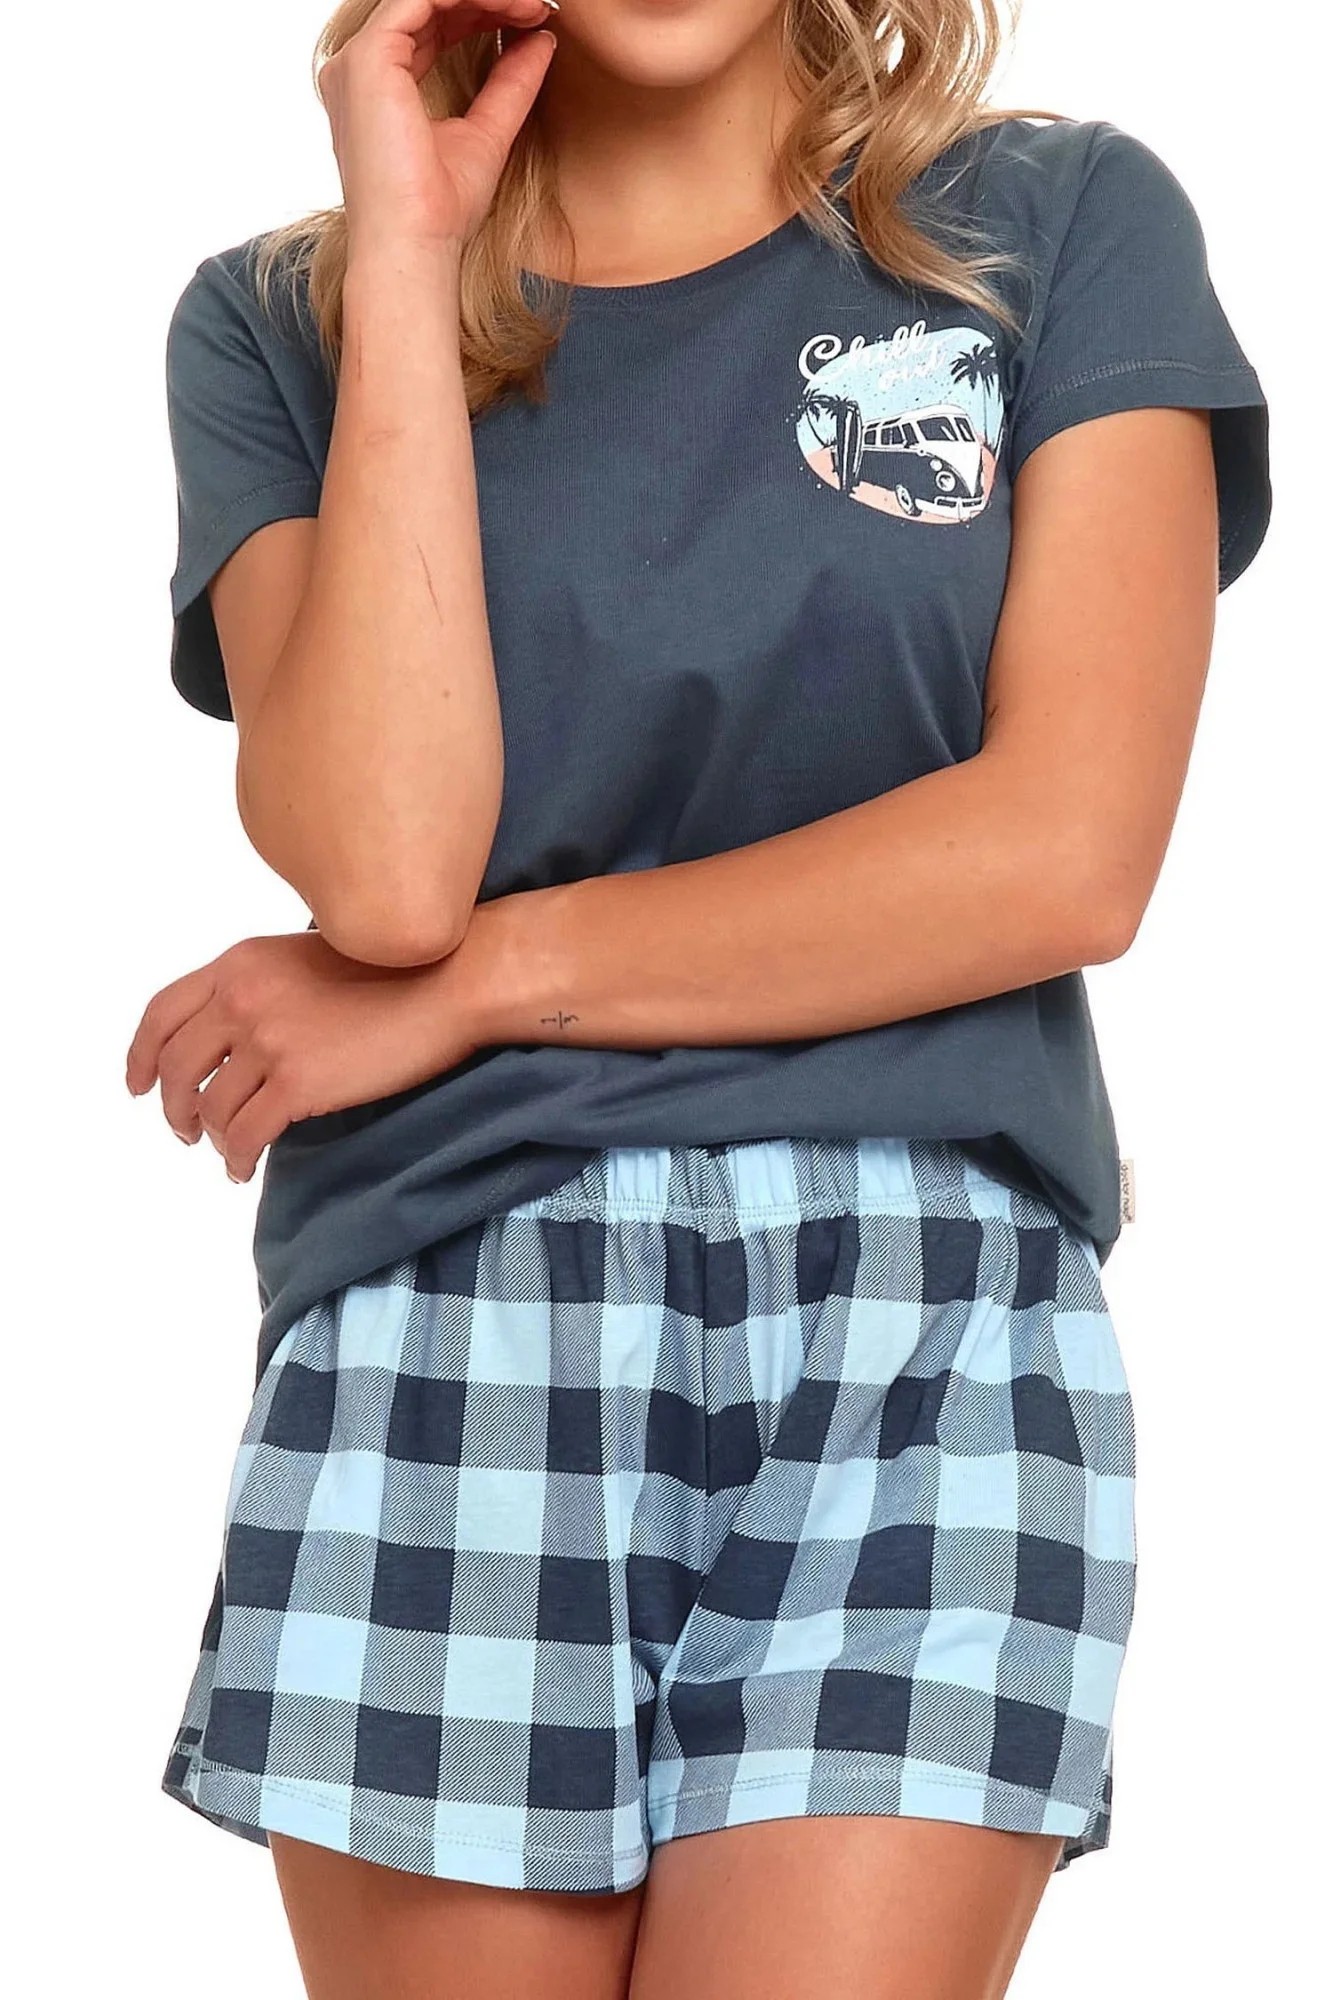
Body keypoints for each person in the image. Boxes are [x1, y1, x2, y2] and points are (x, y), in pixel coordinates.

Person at [127, 0, 1271, 1993]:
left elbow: (1066, 853)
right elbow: (385, 869)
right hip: (451, 1307)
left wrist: (481, 988)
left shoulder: (1057, 228)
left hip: (930, 1332)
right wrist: (403, 259)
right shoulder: (276, 325)